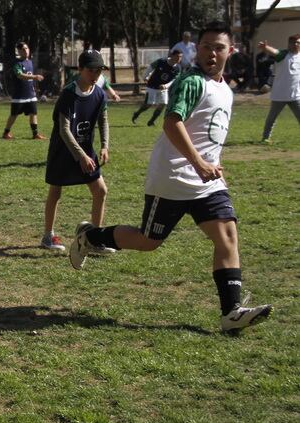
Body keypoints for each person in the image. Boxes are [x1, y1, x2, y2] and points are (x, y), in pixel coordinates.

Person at [70, 22, 272, 332]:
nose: (212, 53)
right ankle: (90, 237)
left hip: (207, 182)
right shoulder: (192, 83)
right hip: (173, 177)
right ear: (197, 49)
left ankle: (231, 313)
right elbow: (172, 123)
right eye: (206, 47)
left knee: (228, 236)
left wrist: (212, 164)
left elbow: (208, 132)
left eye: (219, 48)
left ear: (230, 51)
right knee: (148, 241)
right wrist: (199, 162)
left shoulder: (224, 89)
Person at [41, 50, 112, 253]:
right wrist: (80, 155)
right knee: (56, 192)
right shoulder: (69, 94)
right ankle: (48, 236)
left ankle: (95, 239)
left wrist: (105, 145)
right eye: (91, 69)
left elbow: (103, 120)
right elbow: (64, 130)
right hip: (63, 152)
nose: (95, 74)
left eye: (99, 70)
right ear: (80, 69)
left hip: (86, 152)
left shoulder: (99, 93)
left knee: (101, 191)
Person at [258, 35, 300, 143]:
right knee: (271, 119)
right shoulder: (283, 54)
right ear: (289, 44)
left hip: (295, 95)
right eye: (293, 42)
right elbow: (274, 52)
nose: (296, 44)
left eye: (298, 42)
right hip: (280, 95)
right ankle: (265, 138)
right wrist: (266, 48)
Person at [3, 42, 45, 140]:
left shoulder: (30, 62)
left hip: (30, 94)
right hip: (19, 96)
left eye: (27, 48)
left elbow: (29, 78)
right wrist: (35, 77)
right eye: (23, 49)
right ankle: (6, 133)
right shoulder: (17, 63)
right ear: (19, 51)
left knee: (33, 113)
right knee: (13, 115)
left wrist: (34, 87)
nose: (26, 51)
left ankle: (35, 134)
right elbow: (20, 75)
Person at [132, 49, 182, 126]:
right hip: (152, 85)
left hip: (163, 88)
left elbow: (174, 80)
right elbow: (150, 67)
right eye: (177, 56)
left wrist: (166, 86)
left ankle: (151, 121)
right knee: (149, 104)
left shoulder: (177, 68)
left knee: (163, 104)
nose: (179, 59)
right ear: (172, 55)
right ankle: (137, 113)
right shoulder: (162, 61)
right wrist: (145, 76)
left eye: (181, 57)